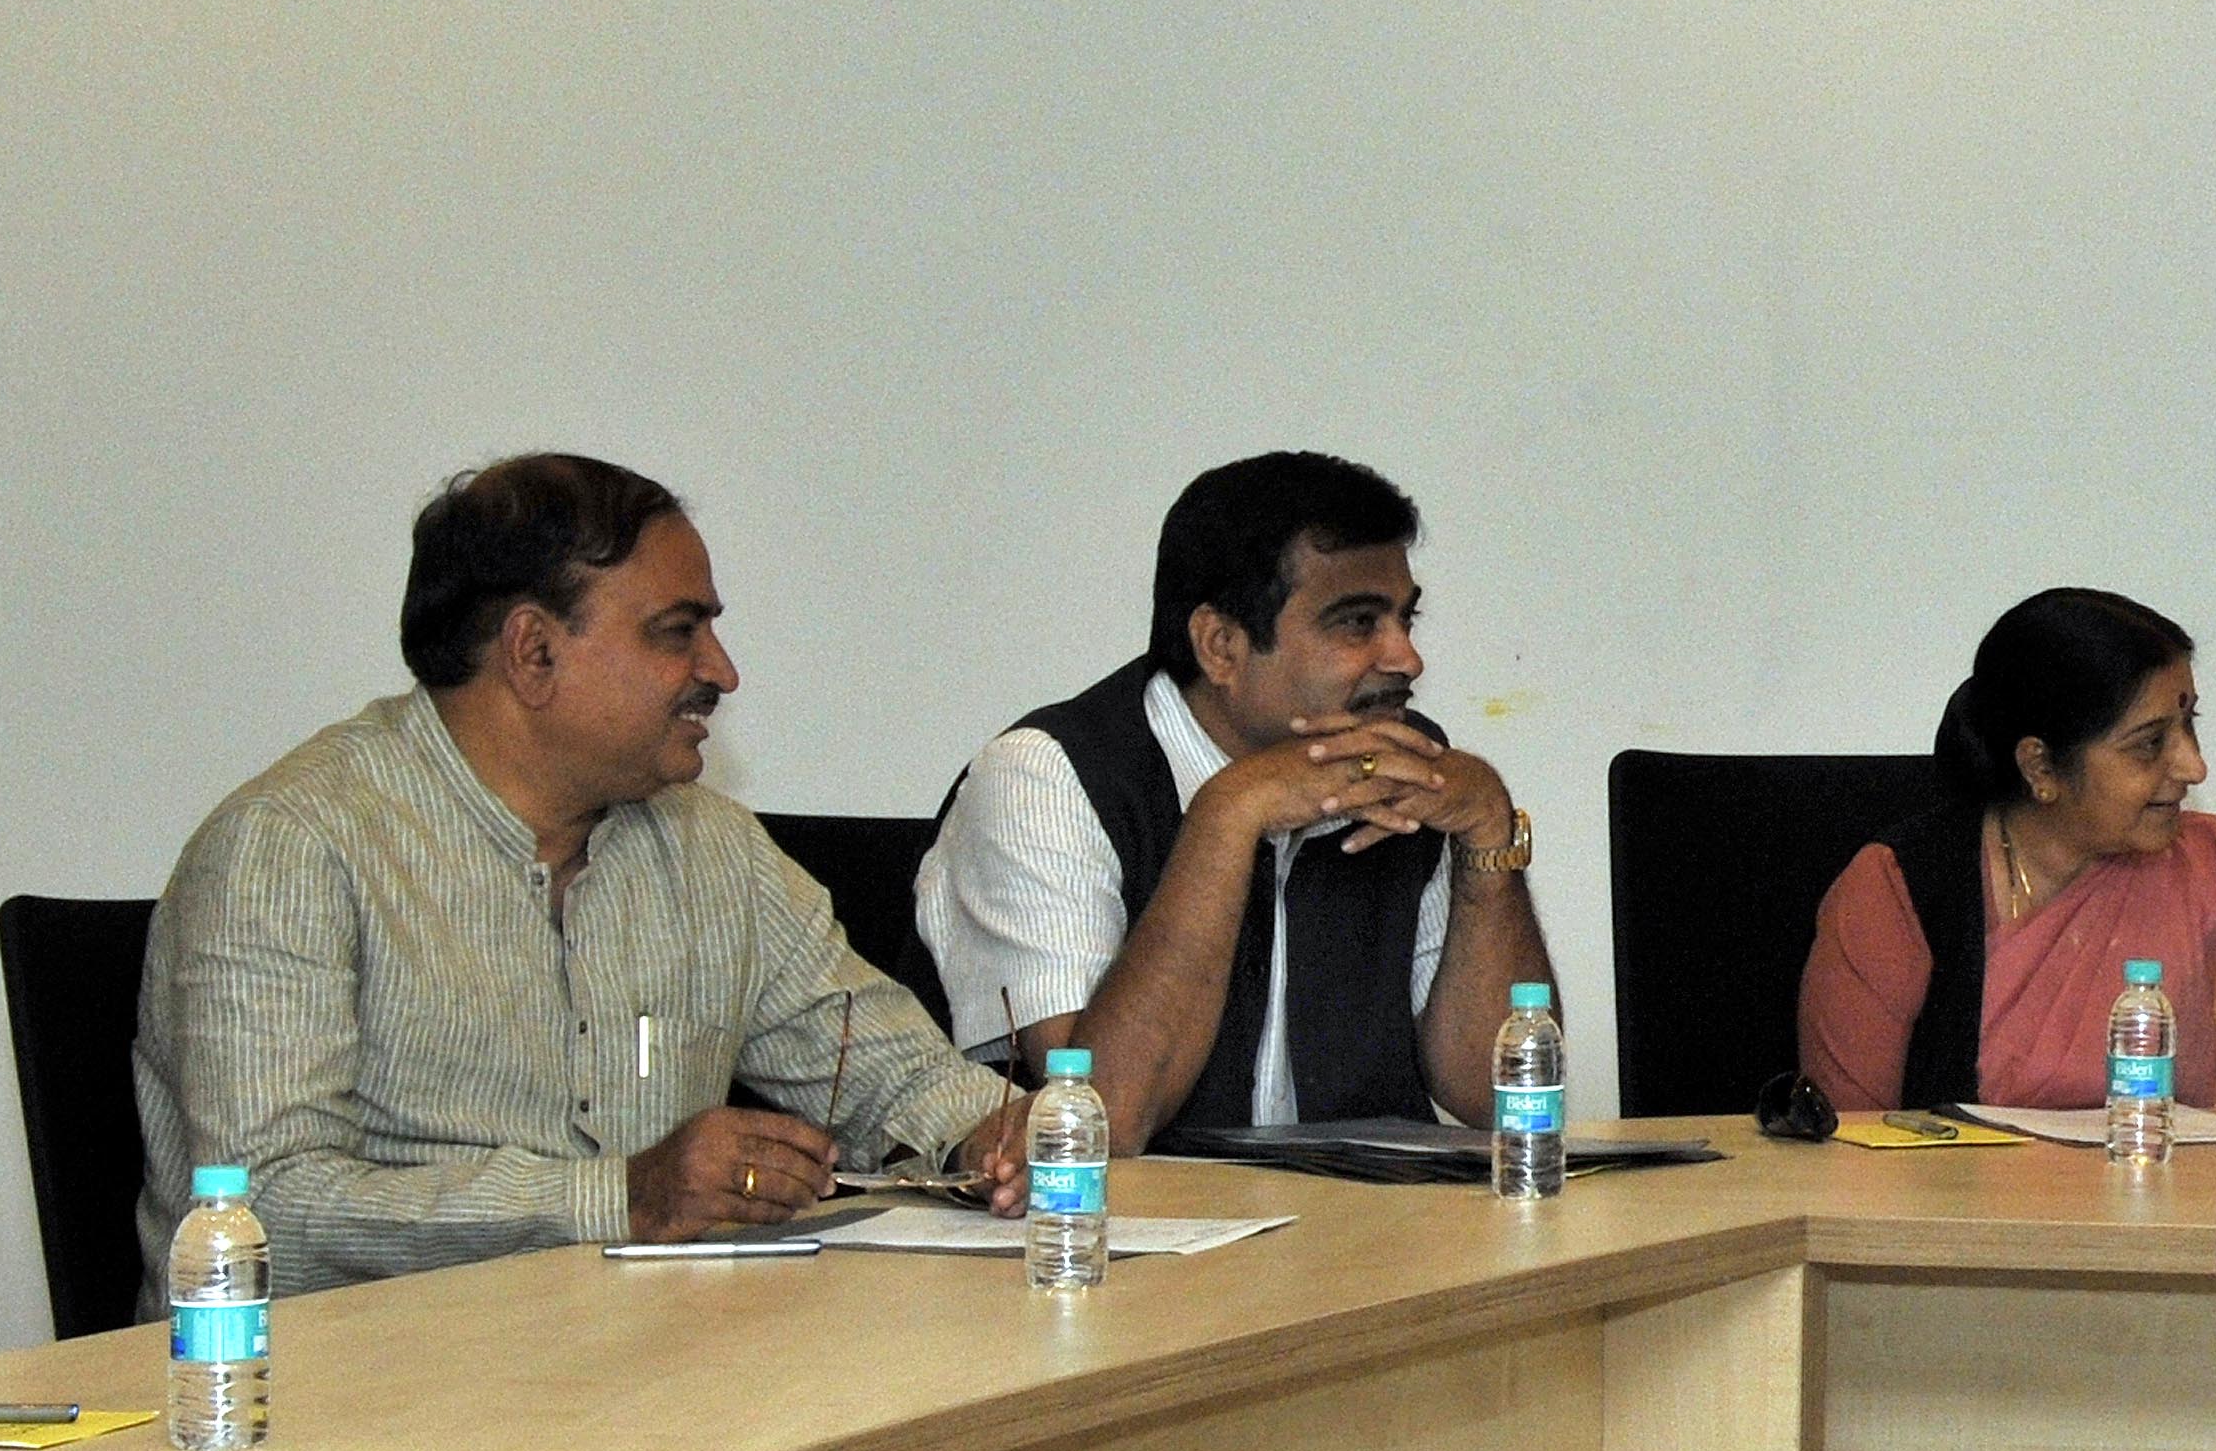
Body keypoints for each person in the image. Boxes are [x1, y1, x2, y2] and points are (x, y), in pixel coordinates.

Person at [135, 456, 1022, 1295]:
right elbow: (265, 1212)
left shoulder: (711, 849)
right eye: (679, 632)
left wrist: (996, 1135)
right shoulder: (291, 848)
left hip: (640, 1374)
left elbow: (895, 1079)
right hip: (345, 1404)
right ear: (533, 652)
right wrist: (622, 1198)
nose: (722, 671)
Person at [914, 453, 1551, 1149]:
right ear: (1221, 646)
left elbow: (1498, 1098)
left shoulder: (1405, 767)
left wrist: (1489, 828)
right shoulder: (1048, 776)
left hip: (1358, 1235)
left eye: (1405, 619)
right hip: (1115, 1246)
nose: (1406, 658)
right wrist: (1227, 814)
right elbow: (1099, 1125)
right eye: (1357, 623)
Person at [1797, 590, 2216, 1113]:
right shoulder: (1902, 891)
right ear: (2041, 766)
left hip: (2175, 1223)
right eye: (2149, 743)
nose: (2193, 766)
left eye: (2188, 725)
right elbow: (1850, 1152)